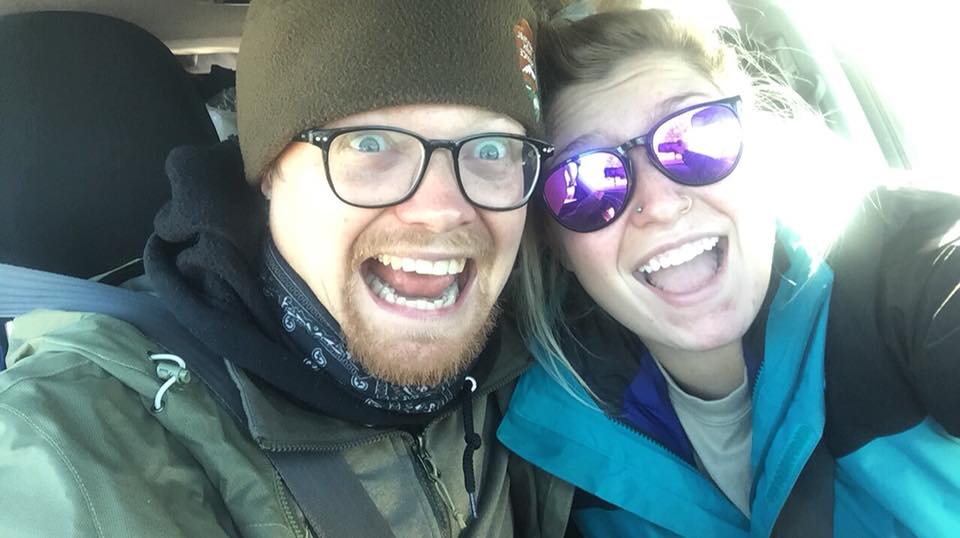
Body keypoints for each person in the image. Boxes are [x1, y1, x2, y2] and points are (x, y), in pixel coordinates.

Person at [0, 1, 575, 536]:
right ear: (270, 172)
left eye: (492, 150)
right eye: (369, 143)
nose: (443, 208)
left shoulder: (548, 369)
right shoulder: (72, 439)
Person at [497, 8, 960, 537]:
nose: (660, 204)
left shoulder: (898, 270)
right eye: (585, 181)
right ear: (555, 244)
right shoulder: (543, 446)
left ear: (758, 149)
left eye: (696, 137)